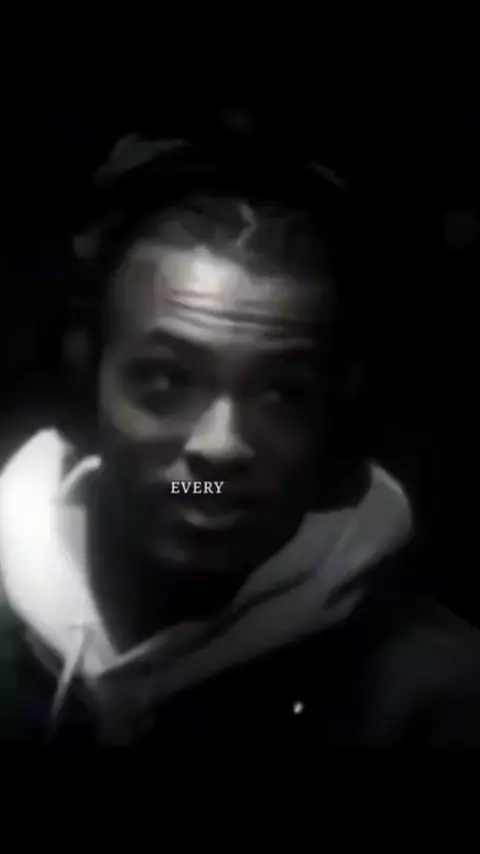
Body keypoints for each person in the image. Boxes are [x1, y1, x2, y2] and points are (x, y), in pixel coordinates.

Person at [1, 133, 480, 747]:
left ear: (339, 416)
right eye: (166, 380)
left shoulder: (436, 705)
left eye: (282, 393)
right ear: (85, 378)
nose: (220, 448)